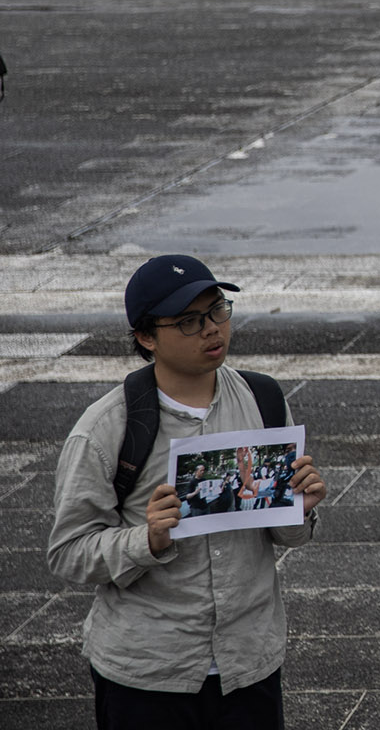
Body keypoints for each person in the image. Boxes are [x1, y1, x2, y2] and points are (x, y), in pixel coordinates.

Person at [49, 254, 327, 729]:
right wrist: (147, 539)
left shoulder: (262, 400)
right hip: (149, 671)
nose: (212, 330)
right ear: (146, 336)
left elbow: (285, 535)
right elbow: (68, 551)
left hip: (249, 664)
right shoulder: (107, 428)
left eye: (218, 310)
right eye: (189, 321)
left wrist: (300, 507)